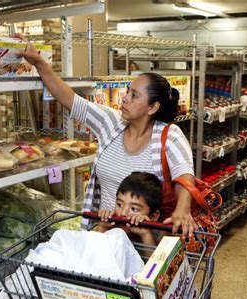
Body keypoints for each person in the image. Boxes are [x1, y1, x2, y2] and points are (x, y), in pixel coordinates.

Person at [14, 34, 196, 236]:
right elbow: (69, 98)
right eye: (128, 91)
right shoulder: (112, 122)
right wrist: (39, 62)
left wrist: (183, 209)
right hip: (108, 235)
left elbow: (184, 174)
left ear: (153, 107)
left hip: (147, 240)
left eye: (134, 95)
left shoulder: (169, 135)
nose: (125, 98)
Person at [98, 172, 163, 247]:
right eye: (119, 205)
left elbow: (154, 259)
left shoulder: (160, 238)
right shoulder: (110, 228)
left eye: (134, 209)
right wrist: (102, 227)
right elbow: (95, 255)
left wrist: (145, 235)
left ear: (153, 216)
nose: (123, 213)